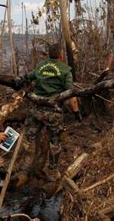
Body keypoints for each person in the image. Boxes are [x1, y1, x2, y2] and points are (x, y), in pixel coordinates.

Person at [24, 43, 81, 181]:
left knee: (26, 138)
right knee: (55, 142)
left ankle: (14, 166)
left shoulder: (41, 66)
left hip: (36, 109)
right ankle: (52, 173)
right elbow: (71, 94)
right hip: (53, 113)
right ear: (61, 56)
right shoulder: (65, 70)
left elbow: (27, 77)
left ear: (49, 54)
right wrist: (76, 112)